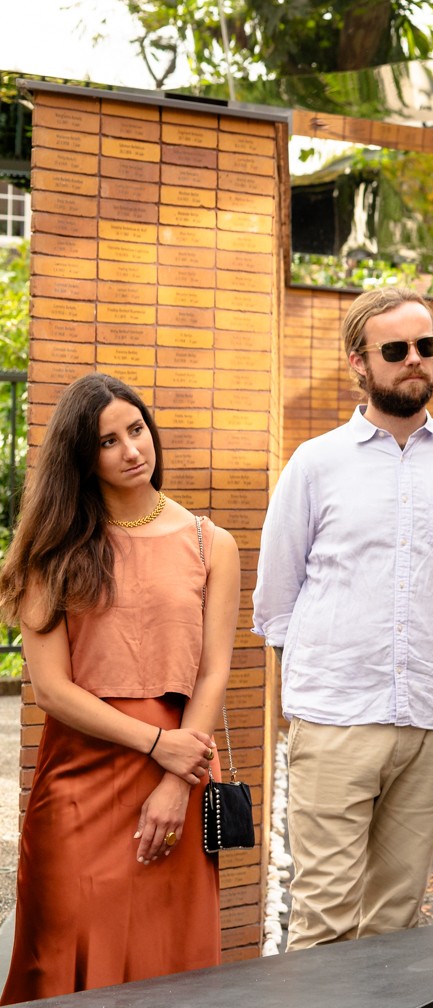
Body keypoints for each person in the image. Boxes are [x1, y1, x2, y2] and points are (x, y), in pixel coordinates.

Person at [254, 287, 433, 948]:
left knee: (396, 927)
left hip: (432, 720)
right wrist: (312, 694)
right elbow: (275, 603)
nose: (415, 360)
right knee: (324, 923)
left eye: (427, 346)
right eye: (396, 350)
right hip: (336, 720)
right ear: (358, 363)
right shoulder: (315, 464)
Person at [0, 373, 240, 1000]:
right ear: (84, 456)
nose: (132, 450)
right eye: (109, 441)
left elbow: (214, 671)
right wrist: (157, 746)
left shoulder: (210, 543)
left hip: (178, 776)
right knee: (65, 957)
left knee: (169, 964)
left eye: (136, 430)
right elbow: (50, 689)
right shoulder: (54, 551)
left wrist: (172, 775)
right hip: (80, 779)